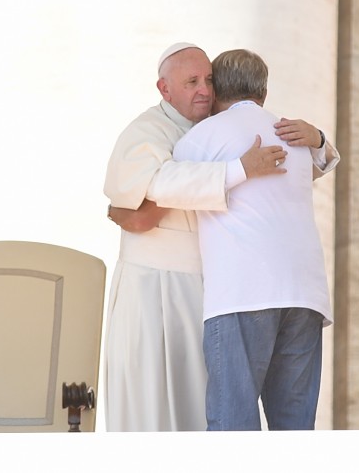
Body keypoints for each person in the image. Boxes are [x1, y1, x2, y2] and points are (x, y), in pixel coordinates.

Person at [103, 42, 338, 431]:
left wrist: (316, 142)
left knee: (229, 420)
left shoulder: (208, 133)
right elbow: (138, 211)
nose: (203, 90)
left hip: (229, 291)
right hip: (158, 290)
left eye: (209, 80)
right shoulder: (150, 131)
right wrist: (247, 166)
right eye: (192, 81)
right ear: (164, 89)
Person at [172, 49, 335, 431]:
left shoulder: (203, 137)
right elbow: (323, 162)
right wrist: (323, 140)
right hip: (305, 295)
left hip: (242, 293)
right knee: (295, 429)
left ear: (217, 88)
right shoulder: (294, 132)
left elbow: (168, 186)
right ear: (264, 88)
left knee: (234, 428)